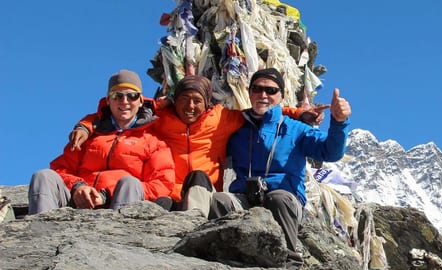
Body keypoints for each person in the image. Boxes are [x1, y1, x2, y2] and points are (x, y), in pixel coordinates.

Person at [69, 75, 325, 215]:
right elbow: (122, 112)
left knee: (199, 178)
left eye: (197, 101)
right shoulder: (160, 118)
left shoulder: (222, 119)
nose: (190, 107)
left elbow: (262, 110)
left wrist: (298, 114)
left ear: (207, 103)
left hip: (202, 193)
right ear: (173, 101)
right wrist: (86, 125)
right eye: (184, 99)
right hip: (165, 193)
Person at [209, 68, 351, 255]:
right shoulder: (237, 129)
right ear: (249, 93)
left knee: (278, 198)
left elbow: (330, 152)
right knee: (220, 200)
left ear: (282, 96)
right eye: (257, 89)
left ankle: (288, 262)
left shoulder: (296, 130)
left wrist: (339, 122)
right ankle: (224, 258)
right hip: (245, 198)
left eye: (271, 91)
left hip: (285, 201)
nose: (263, 95)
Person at [28, 70, 175, 214]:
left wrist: (107, 194)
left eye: (132, 96)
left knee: (130, 183)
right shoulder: (89, 135)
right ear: (108, 99)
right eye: (117, 95)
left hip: (121, 202)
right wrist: (78, 187)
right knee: (43, 176)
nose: (125, 101)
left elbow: (162, 183)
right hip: (78, 200)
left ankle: (119, 235)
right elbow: (61, 169)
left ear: (141, 100)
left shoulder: (154, 141)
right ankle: (41, 232)